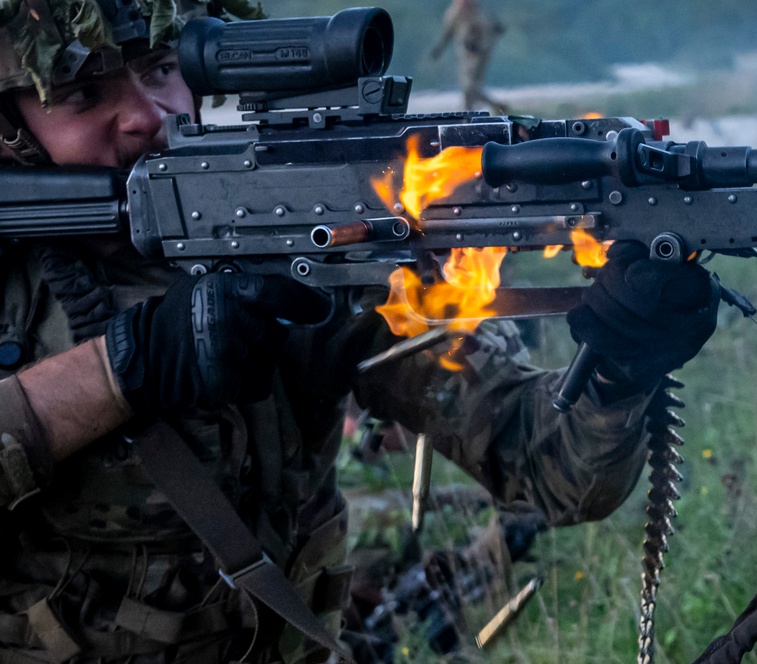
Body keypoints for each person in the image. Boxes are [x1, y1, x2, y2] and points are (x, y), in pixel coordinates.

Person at [0, 2, 720, 662]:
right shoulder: (16, 275)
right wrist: (124, 366)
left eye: (161, 70)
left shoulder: (305, 236)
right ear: (11, 126)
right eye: (81, 94)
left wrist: (621, 366)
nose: (145, 115)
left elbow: (550, 471)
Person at [430, 0, 508, 115]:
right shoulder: (455, 12)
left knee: (470, 87)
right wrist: (439, 48)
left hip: (481, 53)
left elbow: (491, 28)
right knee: (469, 87)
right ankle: (476, 110)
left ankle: (472, 111)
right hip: (467, 54)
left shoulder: (480, 11)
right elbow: (449, 32)